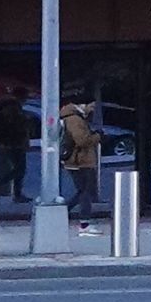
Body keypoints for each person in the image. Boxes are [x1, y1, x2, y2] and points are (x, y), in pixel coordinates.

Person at [59, 99, 102, 234]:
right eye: (91, 105)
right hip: (80, 161)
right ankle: (84, 223)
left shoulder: (71, 117)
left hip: (77, 160)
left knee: (82, 191)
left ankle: (63, 213)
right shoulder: (75, 120)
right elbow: (82, 140)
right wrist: (97, 136)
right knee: (86, 192)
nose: (92, 109)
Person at [0, 96, 29, 201]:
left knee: (17, 170)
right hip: (14, 144)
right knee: (19, 170)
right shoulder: (17, 113)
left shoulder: (0, 115)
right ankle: (10, 191)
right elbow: (23, 129)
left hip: (11, 144)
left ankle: (3, 187)